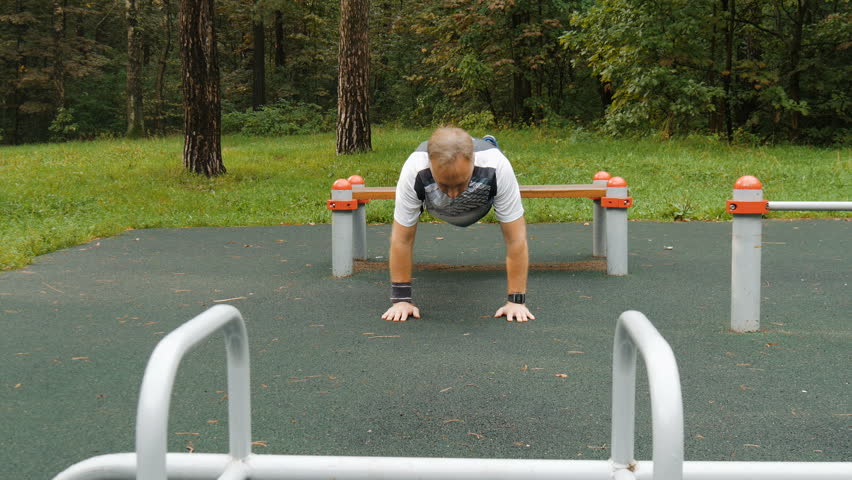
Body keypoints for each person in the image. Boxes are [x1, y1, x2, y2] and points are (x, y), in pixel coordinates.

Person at [381, 127, 534, 323]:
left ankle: (488, 143)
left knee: (493, 153)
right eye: (444, 185)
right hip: (436, 207)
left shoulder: (497, 166)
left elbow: (516, 239)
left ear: (474, 161)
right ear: (429, 163)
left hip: (480, 205)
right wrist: (401, 300)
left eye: (461, 184)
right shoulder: (415, 168)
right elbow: (402, 239)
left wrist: (516, 301)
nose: (453, 193)